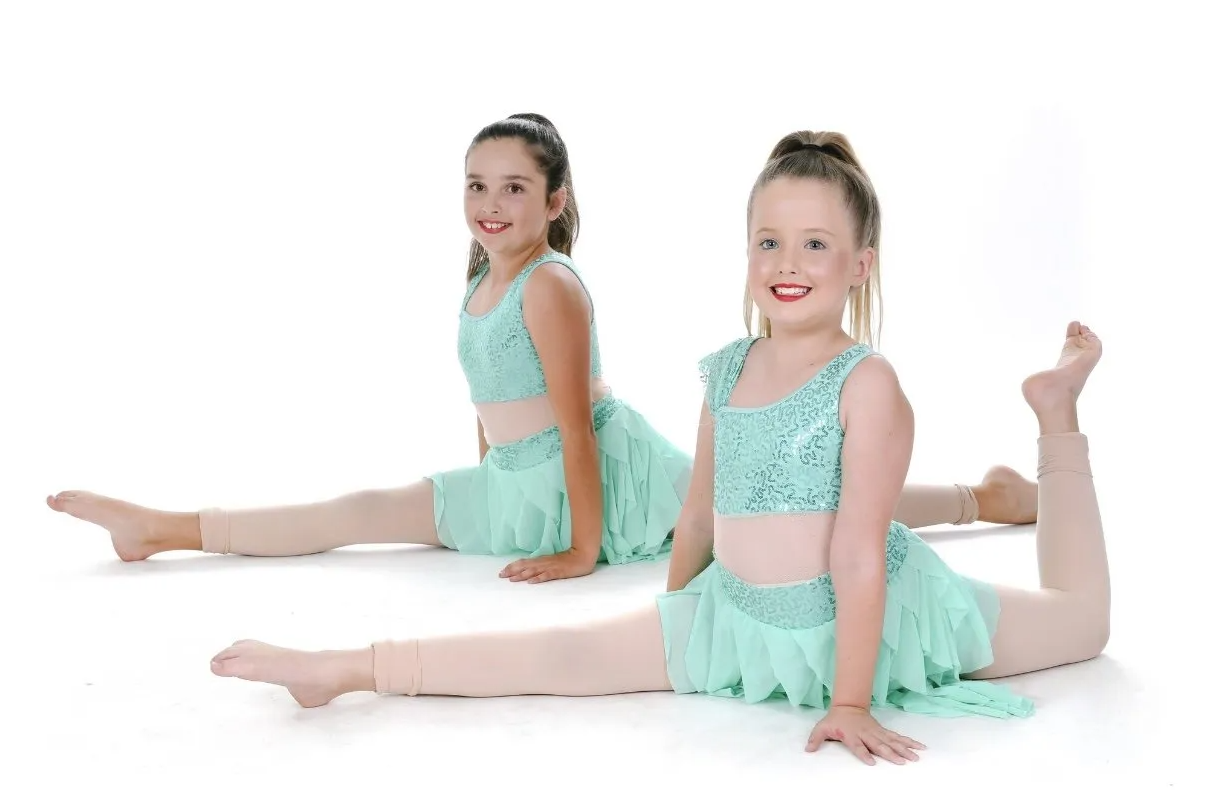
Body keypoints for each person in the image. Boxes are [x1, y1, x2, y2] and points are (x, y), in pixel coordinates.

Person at [46, 116, 1039, 586]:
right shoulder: (478, 276)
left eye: (515, 187)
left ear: (555, 200)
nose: (491, 205)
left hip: (597, 478)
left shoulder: (552, 285)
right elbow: (489, 403)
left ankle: (982, 498)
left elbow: (575, 423)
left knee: (808, 504)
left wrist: (580, 543)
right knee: (354, 511)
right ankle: (163, 526)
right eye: (477, 185)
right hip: (520, 477)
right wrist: (483, 480)